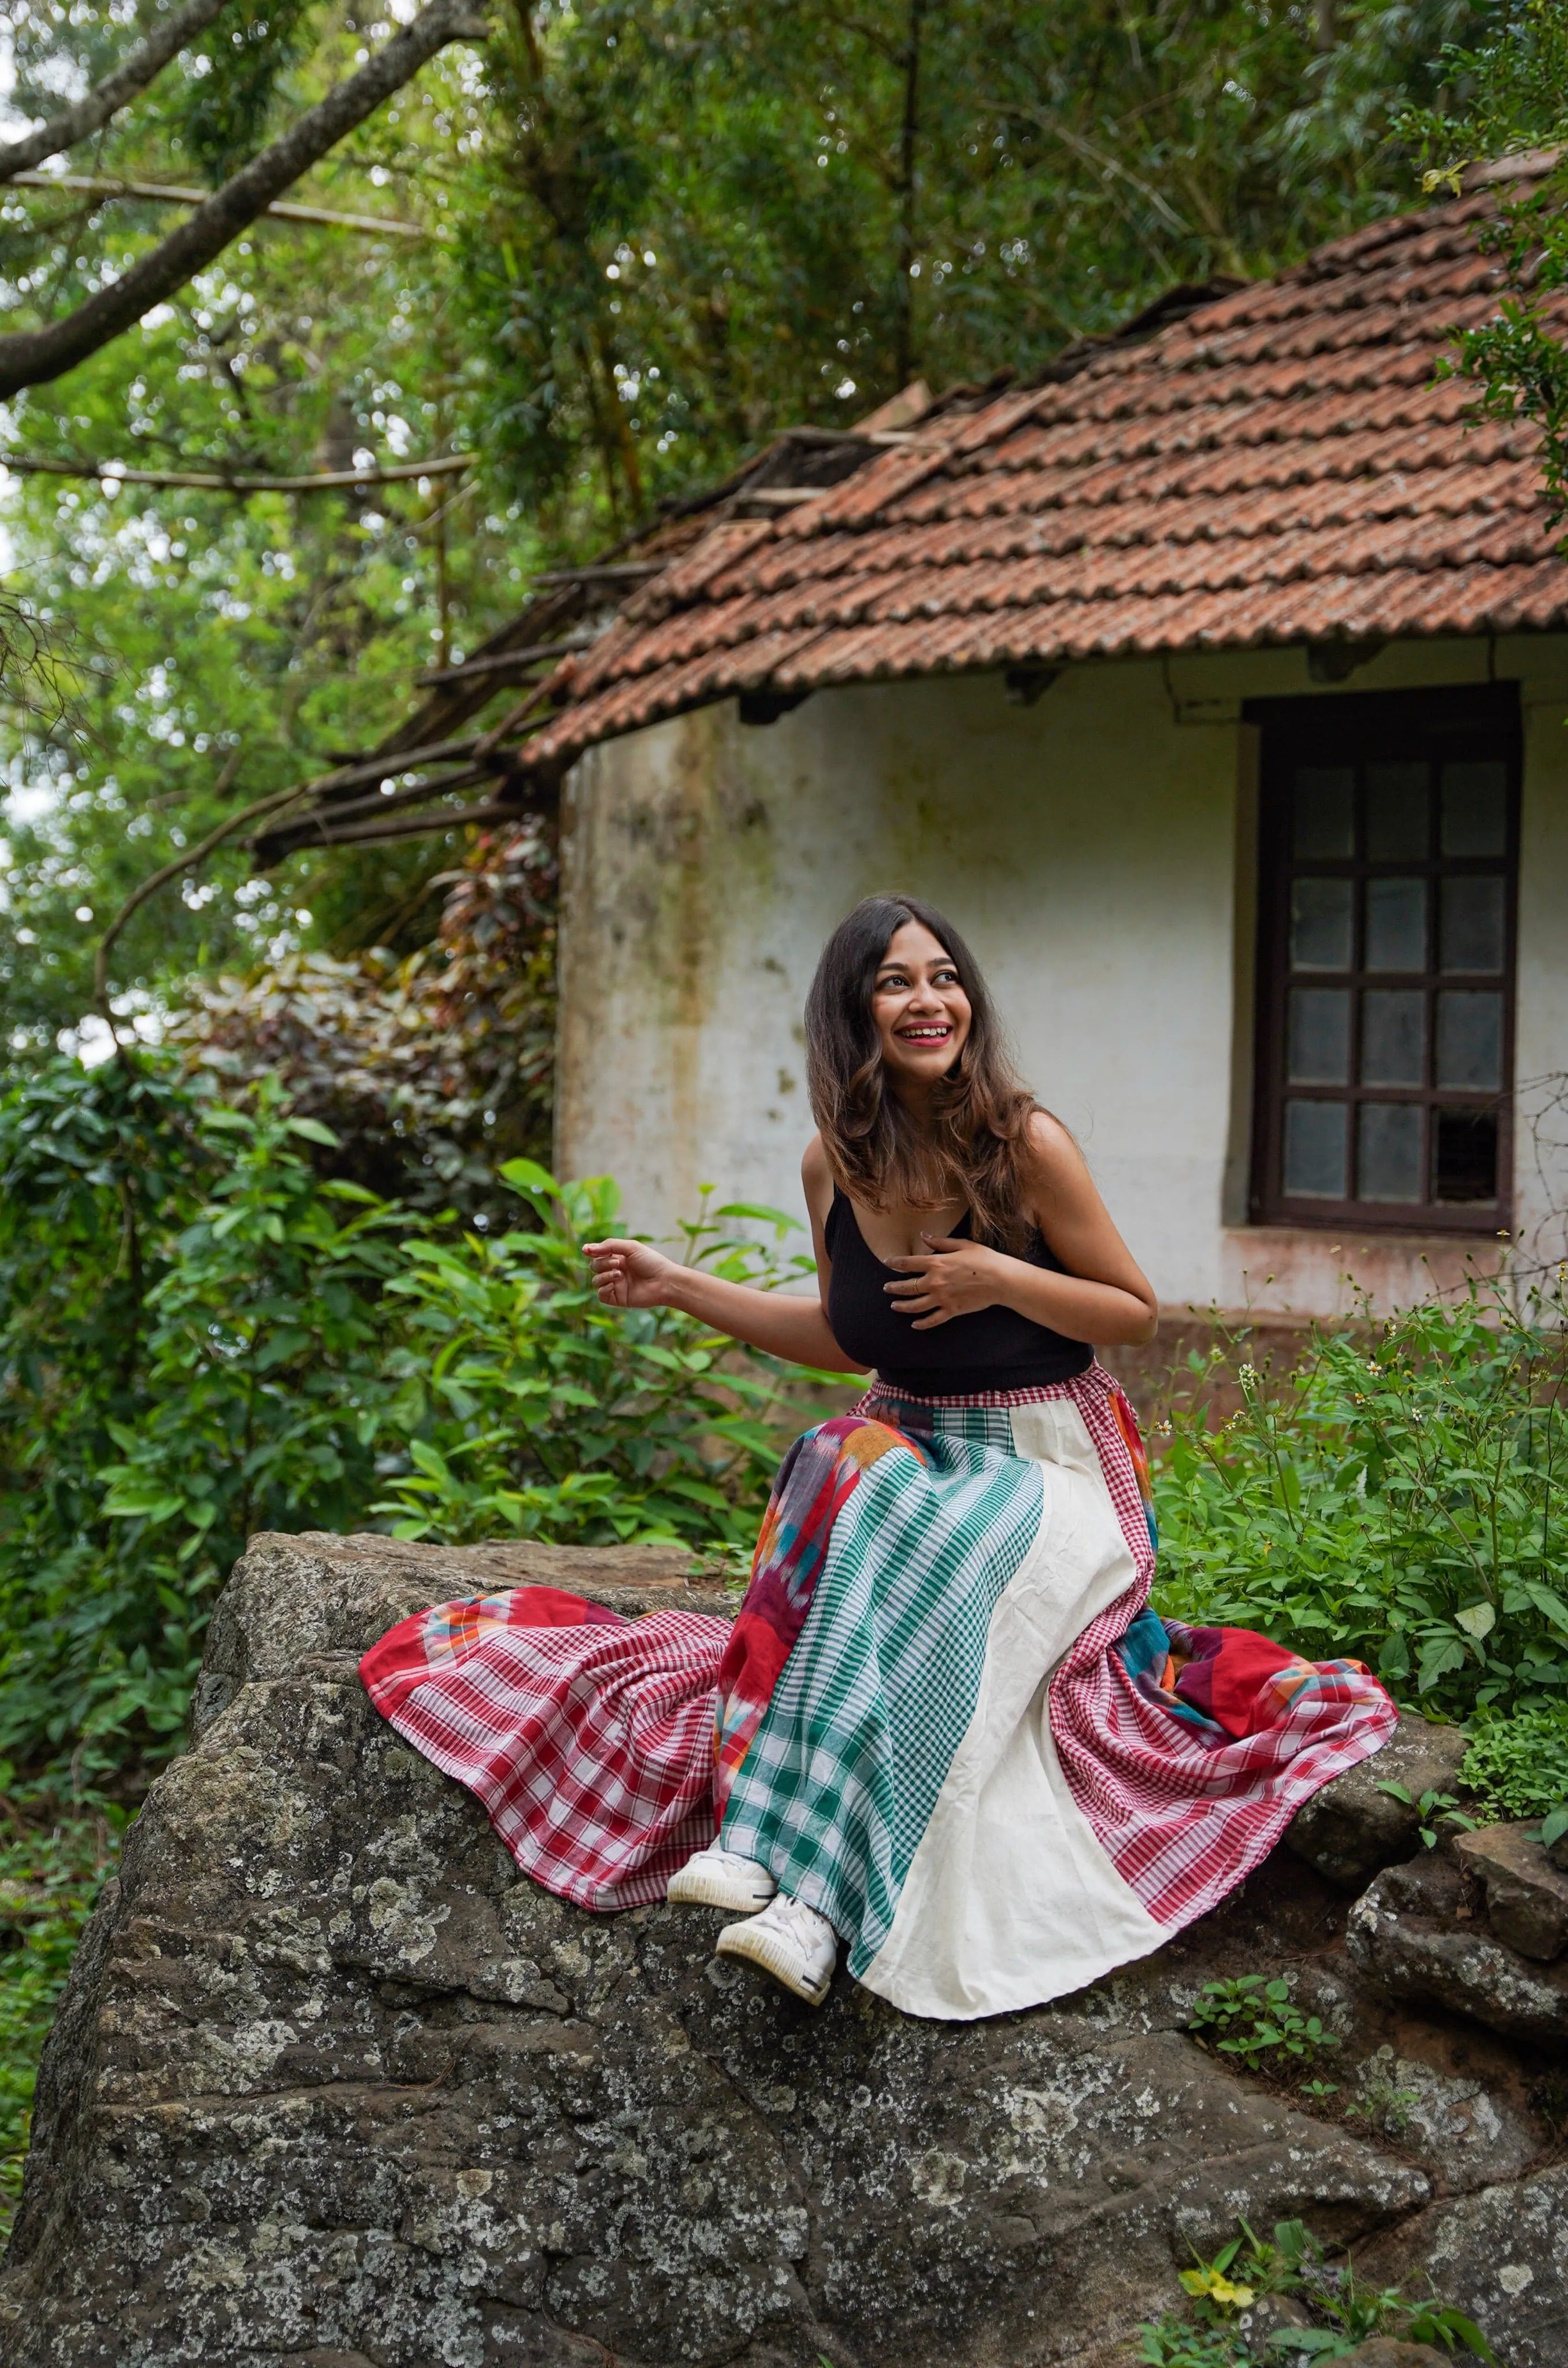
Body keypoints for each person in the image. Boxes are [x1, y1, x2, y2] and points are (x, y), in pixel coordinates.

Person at [361, 894, 1395, 2019]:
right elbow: (852, 1335)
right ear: (856, 1012)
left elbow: (1135, 1309)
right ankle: (772, 1855)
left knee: (901, 1508)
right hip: (911, 1455)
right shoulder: (833, 1163)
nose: (928, 1000)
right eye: (896, 981)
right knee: (840, 1454)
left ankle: (810, 1894)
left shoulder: (1025, 1143)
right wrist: (678, 1284)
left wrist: (998, 1277)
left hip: (1044, 1463)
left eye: (944, 976)